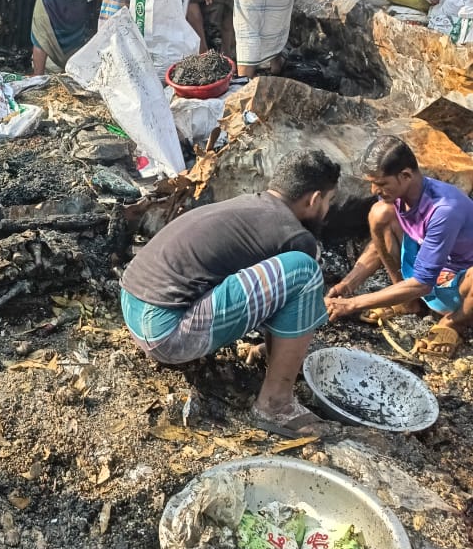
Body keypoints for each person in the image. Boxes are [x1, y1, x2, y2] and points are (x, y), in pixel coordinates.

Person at [120, 149, 340, 435]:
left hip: (132, 304)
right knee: (305, 271)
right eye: (329, 201)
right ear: (314, 199)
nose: (328, 210)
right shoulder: (296, 235)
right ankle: (275, 405)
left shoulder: (249, 204)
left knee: (290, 273)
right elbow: (290, 292)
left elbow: (269, 293)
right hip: (164, 332)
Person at [326, 137, 473, 358]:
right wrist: (347, 285)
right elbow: (377, 248)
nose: (375, 189)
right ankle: (408, 302)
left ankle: (455, 323)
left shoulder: (444, 210)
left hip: (461, 283)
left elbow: (423, 283)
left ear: (405, 175)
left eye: (382, 183)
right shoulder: (398, 197)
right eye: (373, 182)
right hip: (431, 268)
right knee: (379, 213)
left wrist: (352, 304)